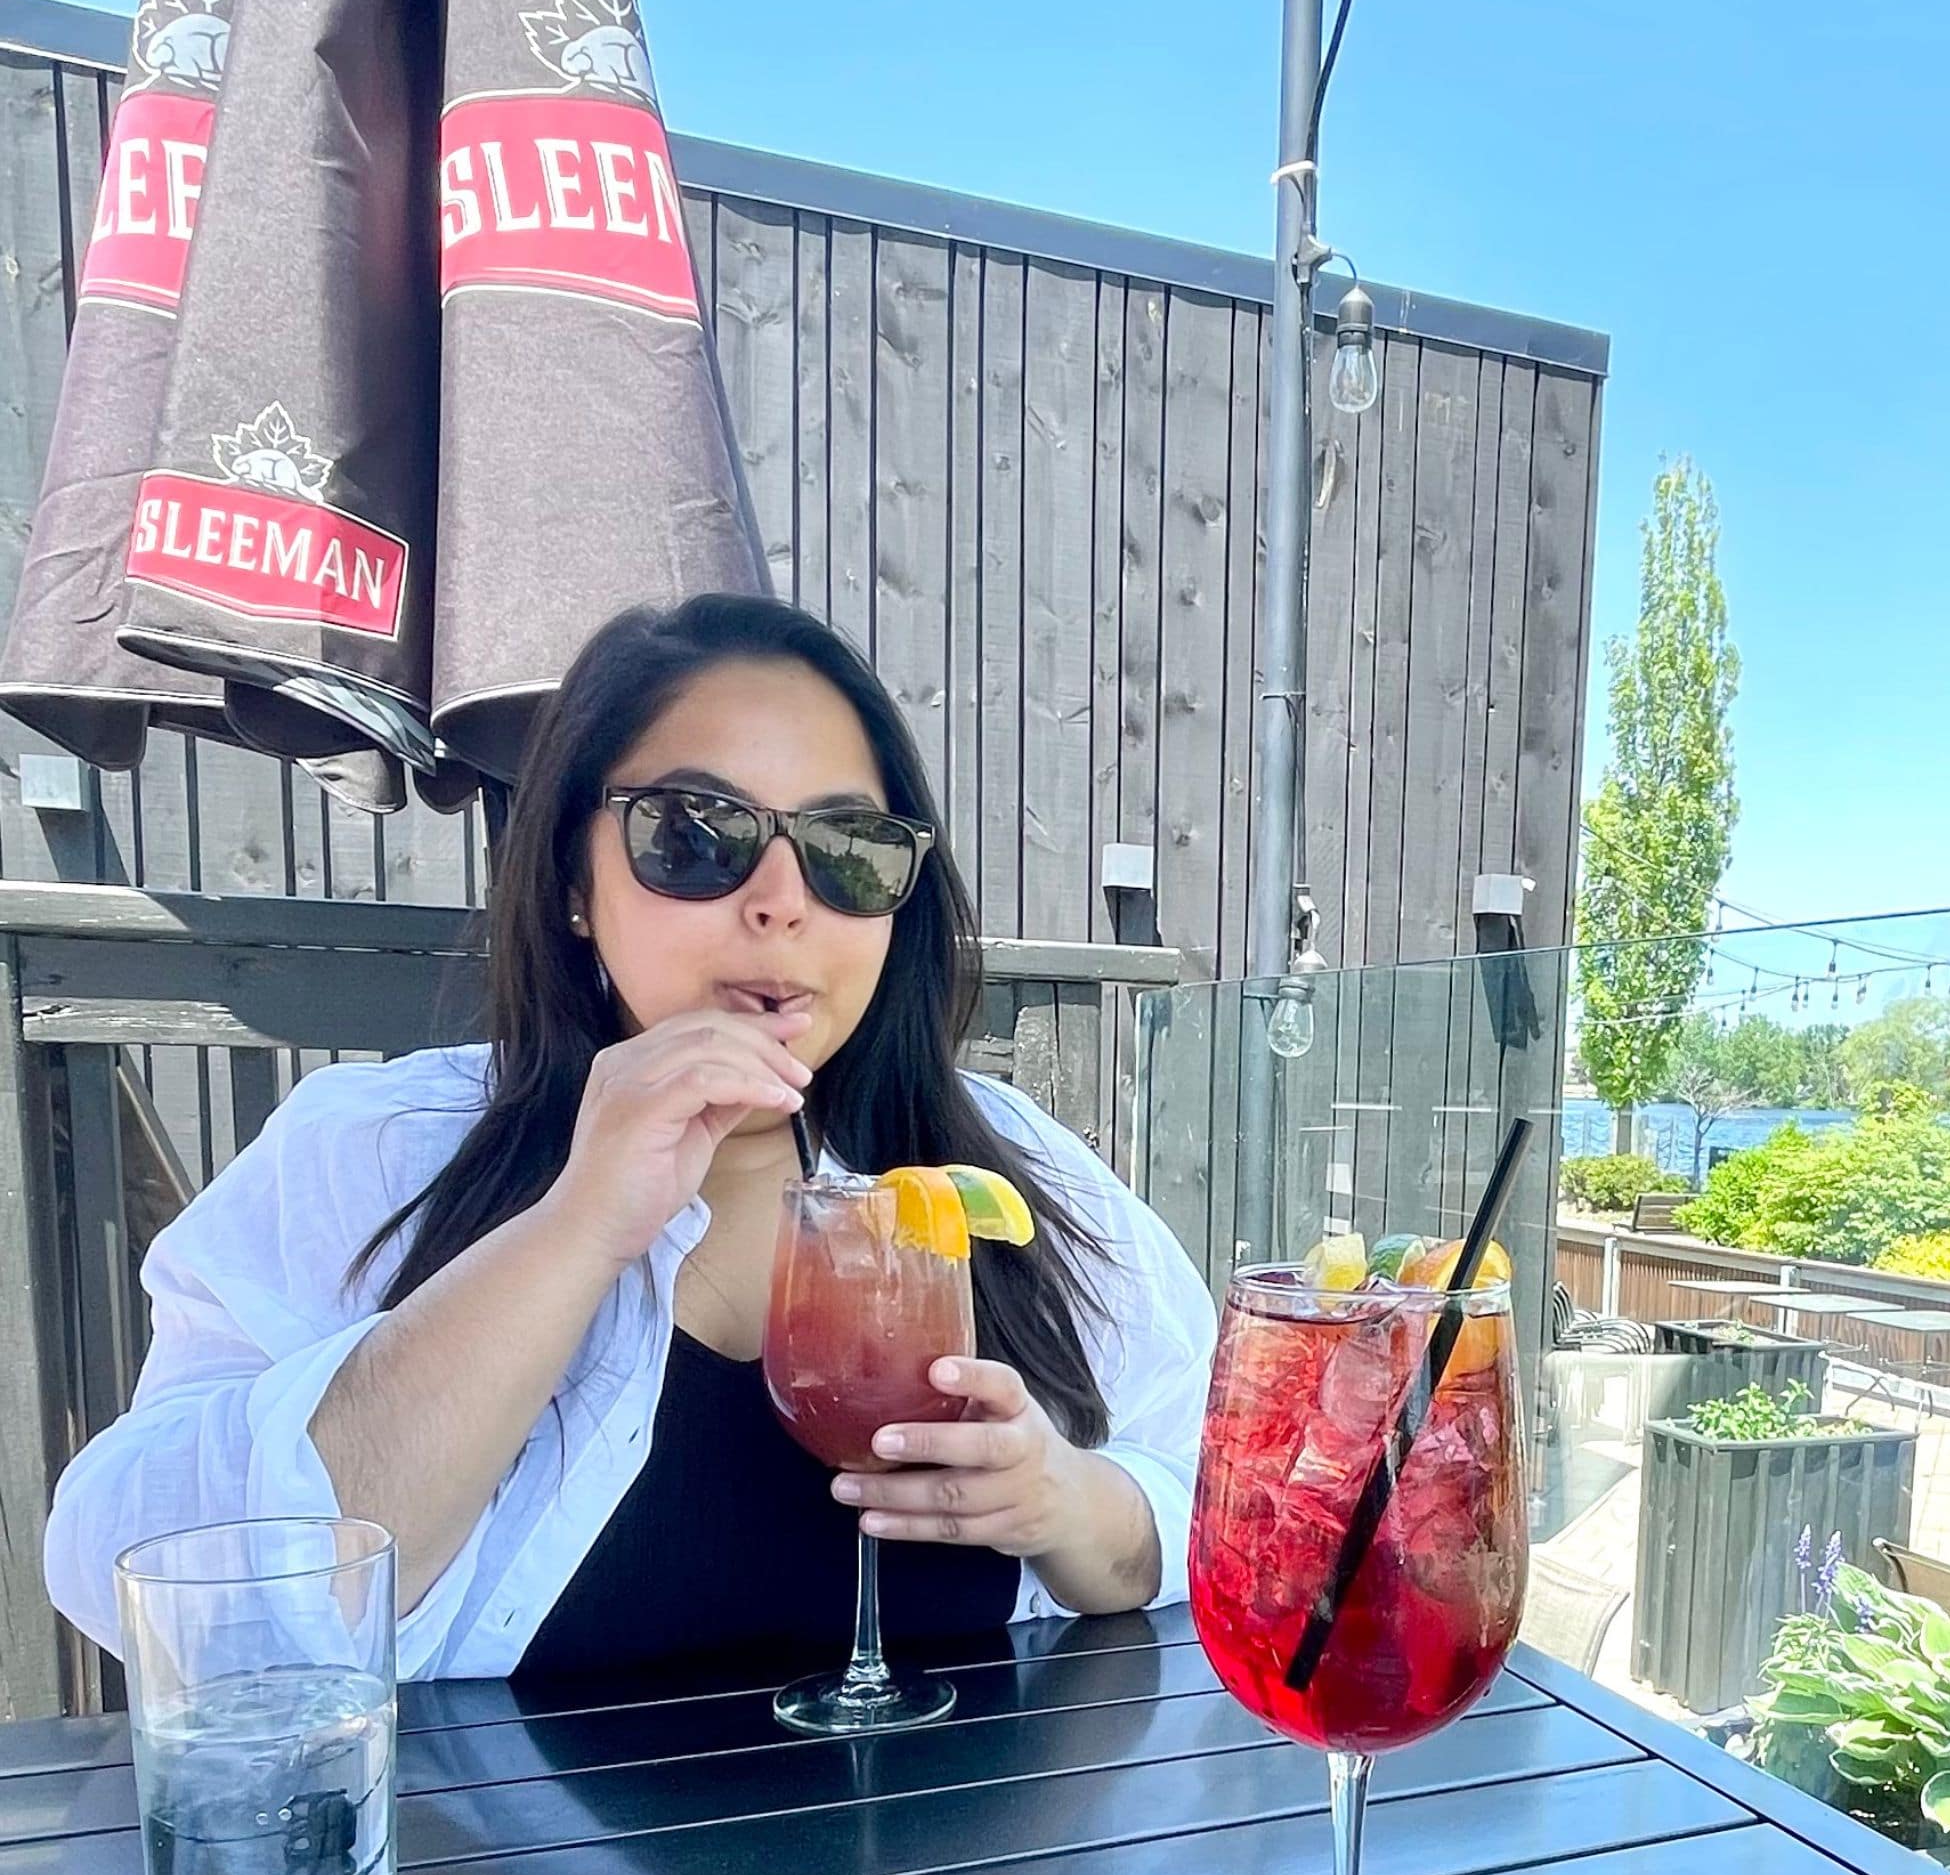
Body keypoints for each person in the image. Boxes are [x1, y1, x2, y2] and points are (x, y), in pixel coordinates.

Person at [50, 592, 1214, 1682]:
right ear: (570, 878)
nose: (780, 899)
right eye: (696, 835)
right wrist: (575, 1227)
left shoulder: (992, 1166)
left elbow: (1213, 1505)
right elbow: (146, 1578)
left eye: (848, 849)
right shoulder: (380, 1150)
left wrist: (1070, 1502)